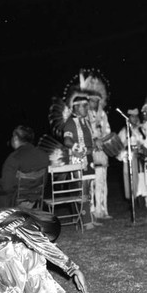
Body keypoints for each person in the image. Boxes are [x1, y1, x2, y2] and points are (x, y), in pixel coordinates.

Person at [0, 125, 49, 211]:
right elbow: (44, 181)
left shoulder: (14, 158)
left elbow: (5, 188)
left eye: (12, 136)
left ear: (16, 138)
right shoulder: (43, 155)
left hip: (13, 202)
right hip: (34, 200)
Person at [62, 93, 100, 230]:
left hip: (88, 159)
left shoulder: (87, 122)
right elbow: (67, 141)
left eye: (86, 105)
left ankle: (88, 217)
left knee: (88, 190)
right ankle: (85, 221)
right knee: (82, 190)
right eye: (84, 106)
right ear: (76, 108)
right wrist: (80, 149)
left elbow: (91, 140)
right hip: (78, 159)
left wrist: (95, 145)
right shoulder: (71, 122)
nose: (87, 108)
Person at [88, 93, 113, 220]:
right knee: (92, 182)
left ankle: (103, 210)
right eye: (92, 101)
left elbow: (108, 133)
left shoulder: (103, 115)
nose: (95, 103)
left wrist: (100, 141)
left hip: (102, 152)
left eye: (97, 101)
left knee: (102, 181)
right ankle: (92, 210)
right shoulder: (85, 116)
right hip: (90, 152)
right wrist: (94, 141)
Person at [117, 108, 147, 203]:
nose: (134, 119)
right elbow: (119, 145)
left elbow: (144, 142)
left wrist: (142, 148)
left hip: (140, 157)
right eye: (132, 117)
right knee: (130, 176)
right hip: (130, 157)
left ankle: (143, 199)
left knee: (142, 177)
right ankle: (132, 199)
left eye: (136, 116)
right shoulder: (124, 131)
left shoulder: (140, 129)